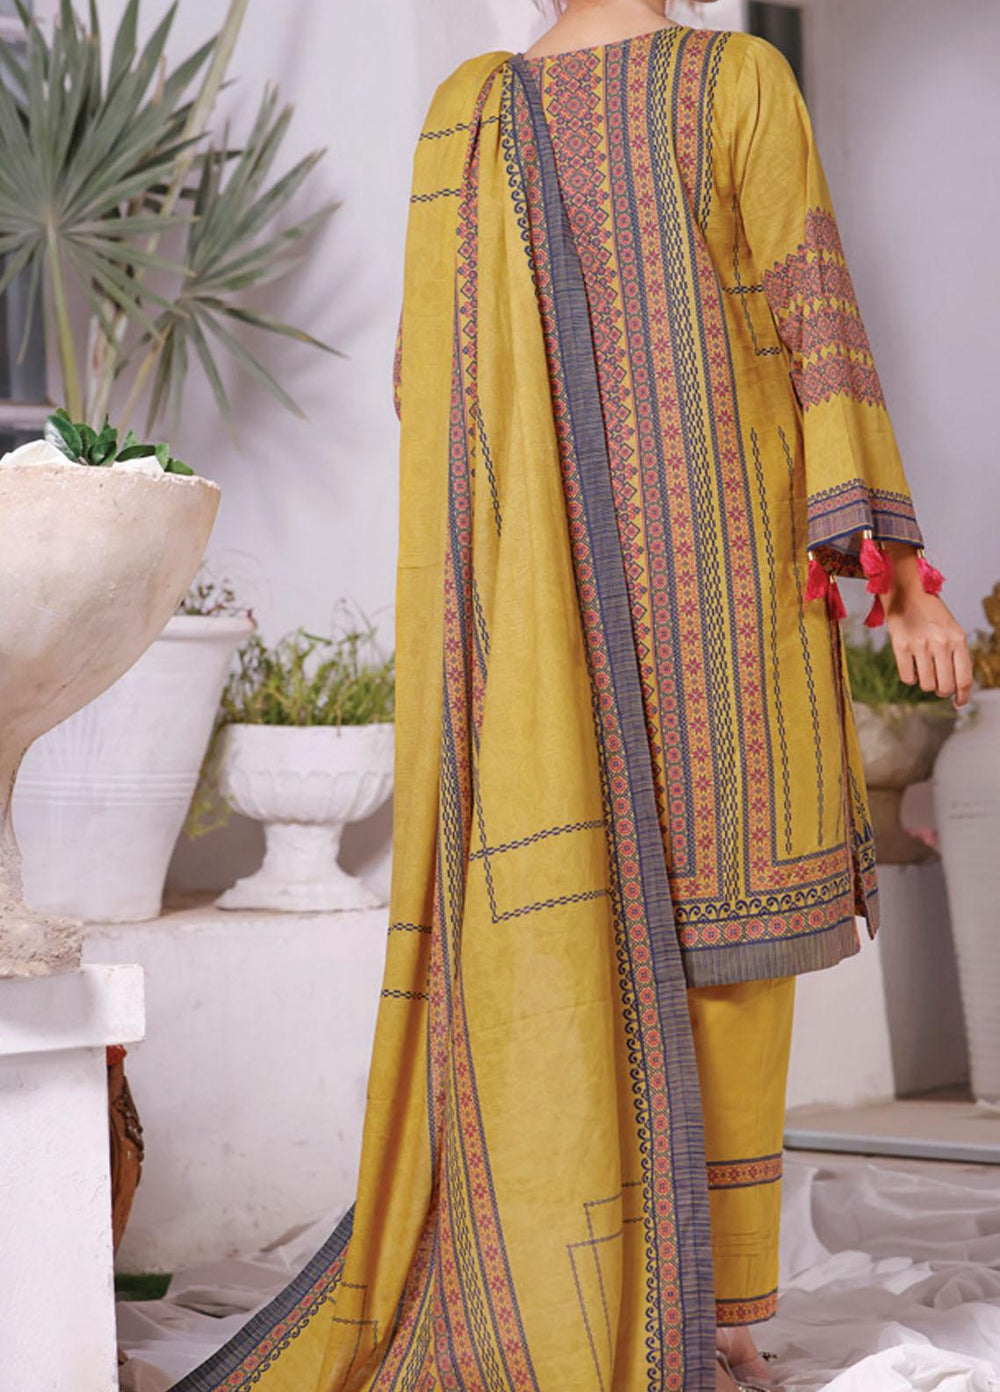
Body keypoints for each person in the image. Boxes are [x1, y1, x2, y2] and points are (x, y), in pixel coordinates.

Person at [173, 3, 971, 1390]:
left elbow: (431, 395)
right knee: (725, 929)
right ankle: (711, 1316)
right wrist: (902, 584)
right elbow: (817, 323)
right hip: (719, 587)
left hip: (541, 618)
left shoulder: (471, 114)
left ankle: (631, 1293)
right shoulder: (731, 80)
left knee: (612, 931)